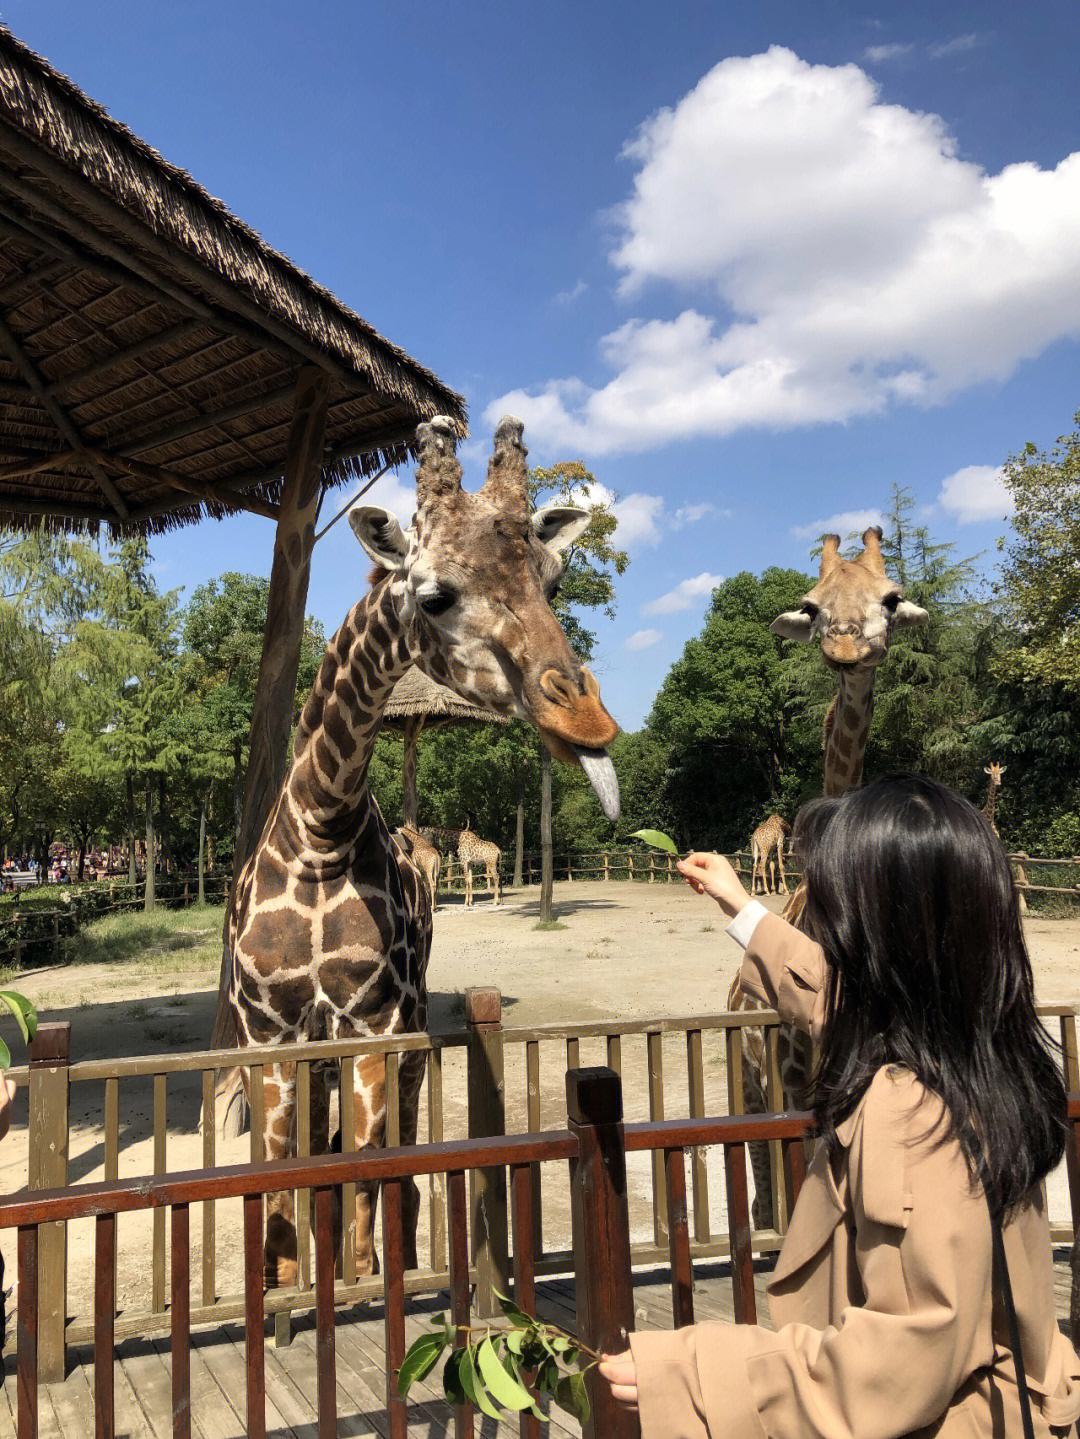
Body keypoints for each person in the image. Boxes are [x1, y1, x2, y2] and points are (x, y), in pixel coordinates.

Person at [600, 775, 1080, 1437]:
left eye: (833, 905)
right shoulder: (981, 1053)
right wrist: (740, 907)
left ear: (877, 936)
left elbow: (899, 1362)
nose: (821, 921)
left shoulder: (912, 1112)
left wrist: (694, 1370)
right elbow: (830, 992)